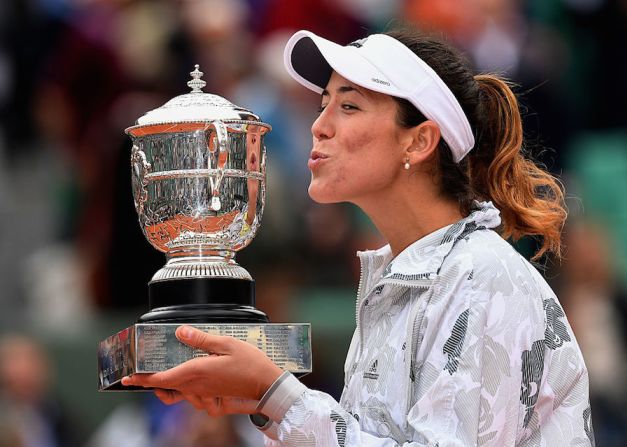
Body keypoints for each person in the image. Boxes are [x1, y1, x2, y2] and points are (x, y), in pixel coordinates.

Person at [123, 28, 594, 446]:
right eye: (324, 102)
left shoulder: (480, 275)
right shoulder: (401, 278)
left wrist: (281, 399)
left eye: (348, 105)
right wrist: (265, 403)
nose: (319, 125)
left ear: (419, 141)